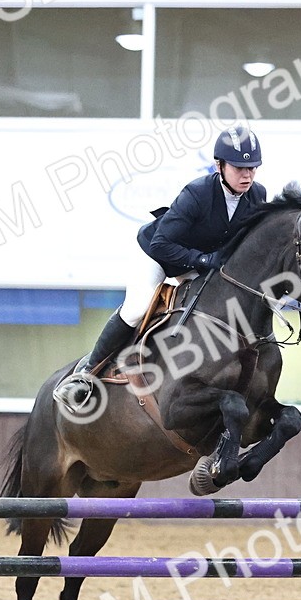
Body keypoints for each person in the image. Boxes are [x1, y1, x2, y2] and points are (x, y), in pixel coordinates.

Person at [53, 126, 268, 412]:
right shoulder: (198, 193)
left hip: (199, 262)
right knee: (137, 309)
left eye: (252, 168)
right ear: (219, 165)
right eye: (240, 168)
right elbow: (160, 244)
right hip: (159, 255)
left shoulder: (257, 195)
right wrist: (203, 261)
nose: (247, 176)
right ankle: (86, 373)